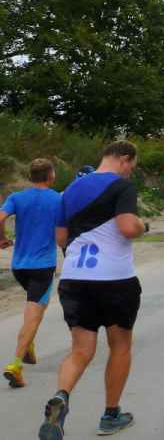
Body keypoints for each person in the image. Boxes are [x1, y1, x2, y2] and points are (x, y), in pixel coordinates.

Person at [39, 140, 148, 439]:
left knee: (81, 350)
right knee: (120, 345)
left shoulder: (70, 190)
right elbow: (128, 228)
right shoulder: (122, 186)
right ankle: (111, 416)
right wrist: (143, 225)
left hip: (75, 278)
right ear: (124, 159)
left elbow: (62, 239)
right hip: (114, 279)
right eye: (132, 166)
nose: (130, 172)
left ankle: (61, 395)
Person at [1, 159, 61, 388]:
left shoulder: (17, 197)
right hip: (42, 266)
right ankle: (16, 364)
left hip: (19, 266)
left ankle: (29, 345)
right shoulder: (58, 199)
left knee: (38, 305)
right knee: (33, 313)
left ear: (31, 176)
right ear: (51, 176)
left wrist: (2, 238)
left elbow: (1, 217)